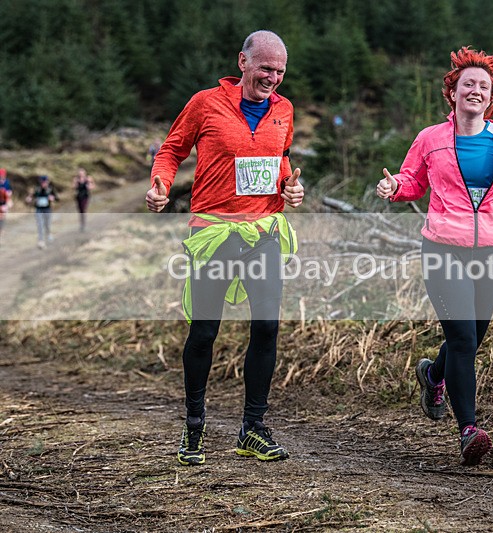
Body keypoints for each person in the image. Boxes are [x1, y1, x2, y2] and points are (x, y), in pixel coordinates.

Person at [377, 46, 493, 466]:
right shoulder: (431, 139)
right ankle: (469, 431)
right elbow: (411, 181)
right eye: (467, 85)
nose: (474, 91)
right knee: (461, 338)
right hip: (443, 248)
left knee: (473, 338)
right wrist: (394, 188)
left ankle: (433, 375)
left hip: (492, 249)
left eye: (483, 85)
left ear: (491, 95)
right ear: (453, 93)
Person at [146, 30, 304, 467]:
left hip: (264, 233)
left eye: (279, 71)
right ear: (242, 62)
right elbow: (172, 149)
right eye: (265, 68)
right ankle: (194, 427)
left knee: (267, 328)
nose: (272, 77)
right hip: (215, 233)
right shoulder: (205, 103)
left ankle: (252, 428)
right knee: (204, 332)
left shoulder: (284, 110)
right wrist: (159, 185)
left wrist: (291, 187)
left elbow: (281, 158)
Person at [27, 175, 58, 249]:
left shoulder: (50, 189)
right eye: (42, 182)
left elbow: (57, 198)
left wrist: (53, 198)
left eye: (45, 182)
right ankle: (41, 240)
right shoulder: (37, 189)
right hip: (39, 209)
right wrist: (29, 198)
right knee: (40, 225)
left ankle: (48, 233)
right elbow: (32, 196)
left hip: (47, 209)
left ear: (47, 182)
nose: (43, 184)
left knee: (47, 224)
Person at [73, 167, 95, 232]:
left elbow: (93, 185)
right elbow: (73, 187)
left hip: (85, 196)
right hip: (78, 196)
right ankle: (82, 224)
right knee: (80, 211)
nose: (81, 174)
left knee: (83, 209)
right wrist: (75, 185)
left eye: (82, 173)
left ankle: (83, 224)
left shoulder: (88, 178)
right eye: (80, 173)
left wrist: (90, 187)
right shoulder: (76, 179)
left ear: (84, 173)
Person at [0, 168, 12, 247]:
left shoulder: (7, 182)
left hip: (4, 203)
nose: (2, 176)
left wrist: (9, 198)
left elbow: (10, 191)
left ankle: (1, 231)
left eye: (3, 175)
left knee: (2, 218)